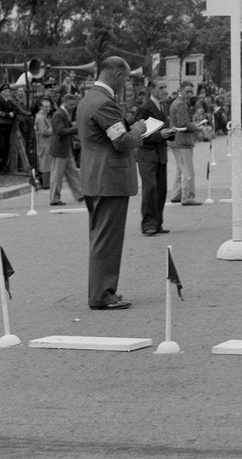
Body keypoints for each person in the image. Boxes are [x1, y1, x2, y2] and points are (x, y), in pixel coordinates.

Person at [77, 57, 147, 310]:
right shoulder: (105, 104)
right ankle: (102, 294)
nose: (126, 83)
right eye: (126, 78)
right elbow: (122, 141)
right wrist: (140, 128)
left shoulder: (88, 99)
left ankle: (102, 291)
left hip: (95, 178)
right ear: (117, 74)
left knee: (100, 237)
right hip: (109, 179)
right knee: (107, 239)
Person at [135, 79, 176, 235]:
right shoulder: (144, 109)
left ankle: (158, 222)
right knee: (150, 188)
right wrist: (161, 134)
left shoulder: (163, 107)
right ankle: (148, 223)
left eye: (165, 87)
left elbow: (163, 130)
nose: (164, 90)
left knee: (160, 190)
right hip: (147, 154)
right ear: (151, 89)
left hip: (160, 154)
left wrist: (170, 133)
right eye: (161, 87)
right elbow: (140, 134)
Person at [167, 81, 203, 207]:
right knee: (188, 171)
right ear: (180, 90)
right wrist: (197, 127)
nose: (190, 94)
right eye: (187, 91)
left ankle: (176, 195)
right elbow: (183, 123)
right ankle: (188, 197)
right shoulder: (181, 104)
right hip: (182, 141)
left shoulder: (176, 103)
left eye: (191, 92)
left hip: (176, 141)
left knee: (180, 169)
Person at [49, 93, 84, 206]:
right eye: (72, 104)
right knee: (57, 175)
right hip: (59, 149)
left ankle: (80, 194)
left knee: (73, 172)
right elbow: (60, 131)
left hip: (66, 148)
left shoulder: (65, 113)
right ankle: (54, 198)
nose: (74, 106)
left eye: (74, 104)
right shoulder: (58, 114)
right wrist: (75, 129)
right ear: (66, 102)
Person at [33, 96, 54, 189]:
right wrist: (54, 129)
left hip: (46, 143)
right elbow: (44, 131)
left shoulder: (43, 117)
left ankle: (46, 183)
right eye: (46, 107)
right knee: (45, 164)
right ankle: (45, 184)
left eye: (49, 106)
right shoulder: (41, 118)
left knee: (47, 163)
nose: (48, 109)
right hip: (44, 144)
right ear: (41, 107)